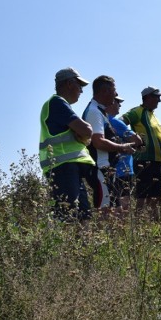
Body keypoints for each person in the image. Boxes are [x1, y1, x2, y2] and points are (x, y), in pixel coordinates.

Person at [39, 67, 95, 221]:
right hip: (62, 167)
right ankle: (68, 245)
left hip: (67, 167)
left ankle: (83, 246)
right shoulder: (57, 103)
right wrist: (83, 132)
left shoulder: (60, 105)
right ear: (70, 84)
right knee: (69, 217)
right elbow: (87, 130)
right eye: (80, 86)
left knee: (83, 216)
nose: (81, 91)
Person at [83, 75, 136, 213]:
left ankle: (114, 235)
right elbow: (98, 142)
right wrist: (122, 147)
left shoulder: (100, 111)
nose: (116, 94)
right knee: (106, 212)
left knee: (116, 211)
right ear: (104, 91)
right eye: (114, 90)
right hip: (100, 168)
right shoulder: (94, 112)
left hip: (108, 169)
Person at [122, 86, 161, 220]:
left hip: (156, 162)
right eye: (157, 97)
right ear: (147, 97)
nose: (159, 100)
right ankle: (138, 226)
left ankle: (154, 225)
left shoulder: (152, 114)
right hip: (143, 160)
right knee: (142, 196)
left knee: (156, 196)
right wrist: (132, 137)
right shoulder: (137, 111)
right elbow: (120, 122)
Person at [106, 97, 141, 216]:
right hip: (123, 168)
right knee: (124, 205)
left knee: (112, 203)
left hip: (109, 168)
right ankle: (121, 231)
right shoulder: (115, 121)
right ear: (111, 103)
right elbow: (137, 140)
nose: (120, 106)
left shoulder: (102, 121)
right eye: (118, 103)